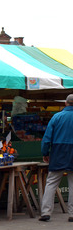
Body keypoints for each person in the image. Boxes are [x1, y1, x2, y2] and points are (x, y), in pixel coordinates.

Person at [39, 94, 73, 222]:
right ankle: (72, 214)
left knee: (51, 182)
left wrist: (45, 153)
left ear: (66, 103)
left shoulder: (56, 117)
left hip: (58, 151)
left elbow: (47, 138)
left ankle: (46, 212)